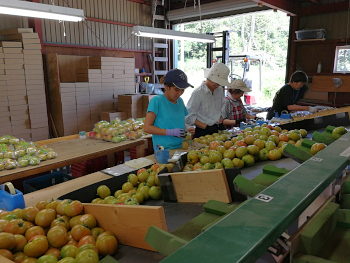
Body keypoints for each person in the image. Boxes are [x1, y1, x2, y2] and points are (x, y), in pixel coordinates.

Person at [144, 69, 195, 150]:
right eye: (177, 89)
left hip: (181, 147)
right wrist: (170, 132)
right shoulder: (157, 101)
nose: (180, 93)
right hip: (164, 150)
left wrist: (187, 128)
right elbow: (147, 127)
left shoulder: (180, 101)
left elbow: (178, 122)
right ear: (166, 86)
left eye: (183, 90)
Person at [185, 63, 231, 138]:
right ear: (209, 77)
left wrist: (220, 122)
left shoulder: (219, 90)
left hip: (215, 129)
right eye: (216, 82)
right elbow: (188, 117)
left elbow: (218, 110)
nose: (218, 85)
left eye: (220, 83)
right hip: (201, 131)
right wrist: (206, 127)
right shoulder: (198, 93)